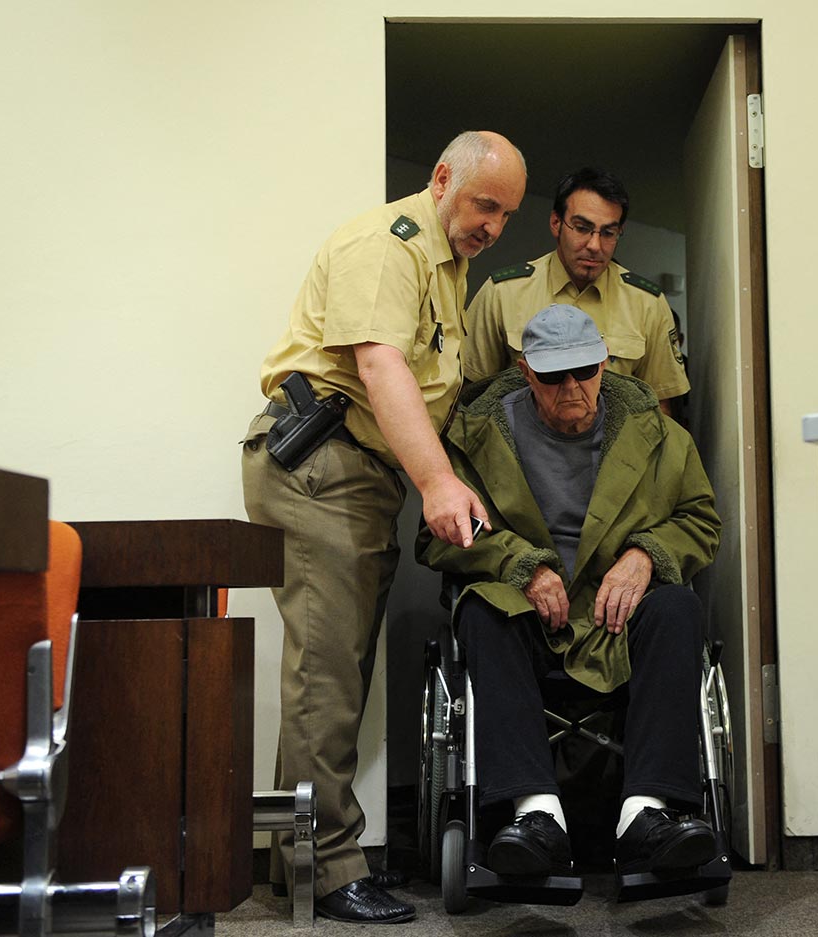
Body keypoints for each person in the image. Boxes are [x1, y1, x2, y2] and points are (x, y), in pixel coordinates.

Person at [241, 130, 527, 924]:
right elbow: (380, 366)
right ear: (441, 180)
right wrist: (436, 480)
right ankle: (324, 874)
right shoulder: (389, 245)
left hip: (357, 477)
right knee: (327, 674)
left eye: (505, 213)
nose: (494, 225)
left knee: (338, 673)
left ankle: (297, 866)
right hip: (320, 464)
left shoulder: (447, 270)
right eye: (483, 204)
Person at [418, 304, 722, 877]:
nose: (571, 388)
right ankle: (537, 816)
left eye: (583, 371)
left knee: (679, 608)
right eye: (552, 376)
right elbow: (439, 535)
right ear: (524, 370)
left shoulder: (659, 435)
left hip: (617, 614)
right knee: (484, 612)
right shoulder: (477, 435)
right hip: (529, 614)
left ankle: (646, 813)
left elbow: (701, 523)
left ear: (604, 363)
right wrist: (521, 565)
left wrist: (645, 556)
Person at [463, 167, 690, 414]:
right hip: (519, 449)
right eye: (582, 228)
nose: (594, 245)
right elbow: (472, 396)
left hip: (619, 450)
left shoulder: (647, 303)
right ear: (556, 223)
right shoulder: (503, 293)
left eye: (608, 233)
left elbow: (662, 407)